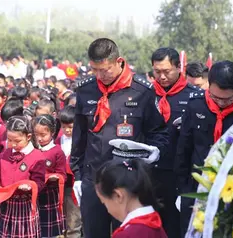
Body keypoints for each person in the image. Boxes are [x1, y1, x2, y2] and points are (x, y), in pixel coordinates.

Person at [70, 38, 169, 238]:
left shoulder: (142, 92)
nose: (100, 75)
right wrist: (78, 177)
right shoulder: (86, 90)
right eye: (94, 70)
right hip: (93, 179)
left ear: (119, 61)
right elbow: (79, 138)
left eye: (104, 70)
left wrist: (154, 152)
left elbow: (158, 132)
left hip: (128, 182)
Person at [175, 60, 233, 236]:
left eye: (228, 98)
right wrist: (184, 192)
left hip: (232, 191)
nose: (221, 103)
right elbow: (183, 150)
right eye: (215, 97)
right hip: (196, 188)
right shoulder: (196, 105)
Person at [151, 48, 202, 238]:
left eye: (167, 71)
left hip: (179, 173)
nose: (162, 77)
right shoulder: (146, 95)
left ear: (179, 67)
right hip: (149, 173)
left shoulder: (194, 97)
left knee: (176, 227)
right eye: (157, 72)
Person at [0, 116, 45, 237]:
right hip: (6, 204)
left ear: (28, 137)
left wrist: (30, 187)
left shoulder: (37, 156)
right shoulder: (5, 154)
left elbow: (39, 183)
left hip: (25, 206)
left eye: (17, 141)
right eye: (9, 140)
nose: (12, 144)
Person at [95, 139, 167, 238]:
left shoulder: (128, 234)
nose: (108, 210)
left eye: (105, 203)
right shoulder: (153, 224)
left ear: (118, 195)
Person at [34, 115, 67, 237]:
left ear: (52, 133)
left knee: (48, 231)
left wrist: (53, 177)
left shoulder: (57, 151)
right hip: (34, 193)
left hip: (49, 195)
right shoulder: (33, 149)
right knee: (35, 227)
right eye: (36, 135)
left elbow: (62, 175)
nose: (39, 138)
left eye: (43, 135)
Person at [56, 105, 82, 238]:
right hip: (62, 185)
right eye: (64, 126)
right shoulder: (58, 140)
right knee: (64, 220)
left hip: (75, 185)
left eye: (70, 127)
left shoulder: (82, 141)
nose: (66, 130)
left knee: (74, 221)